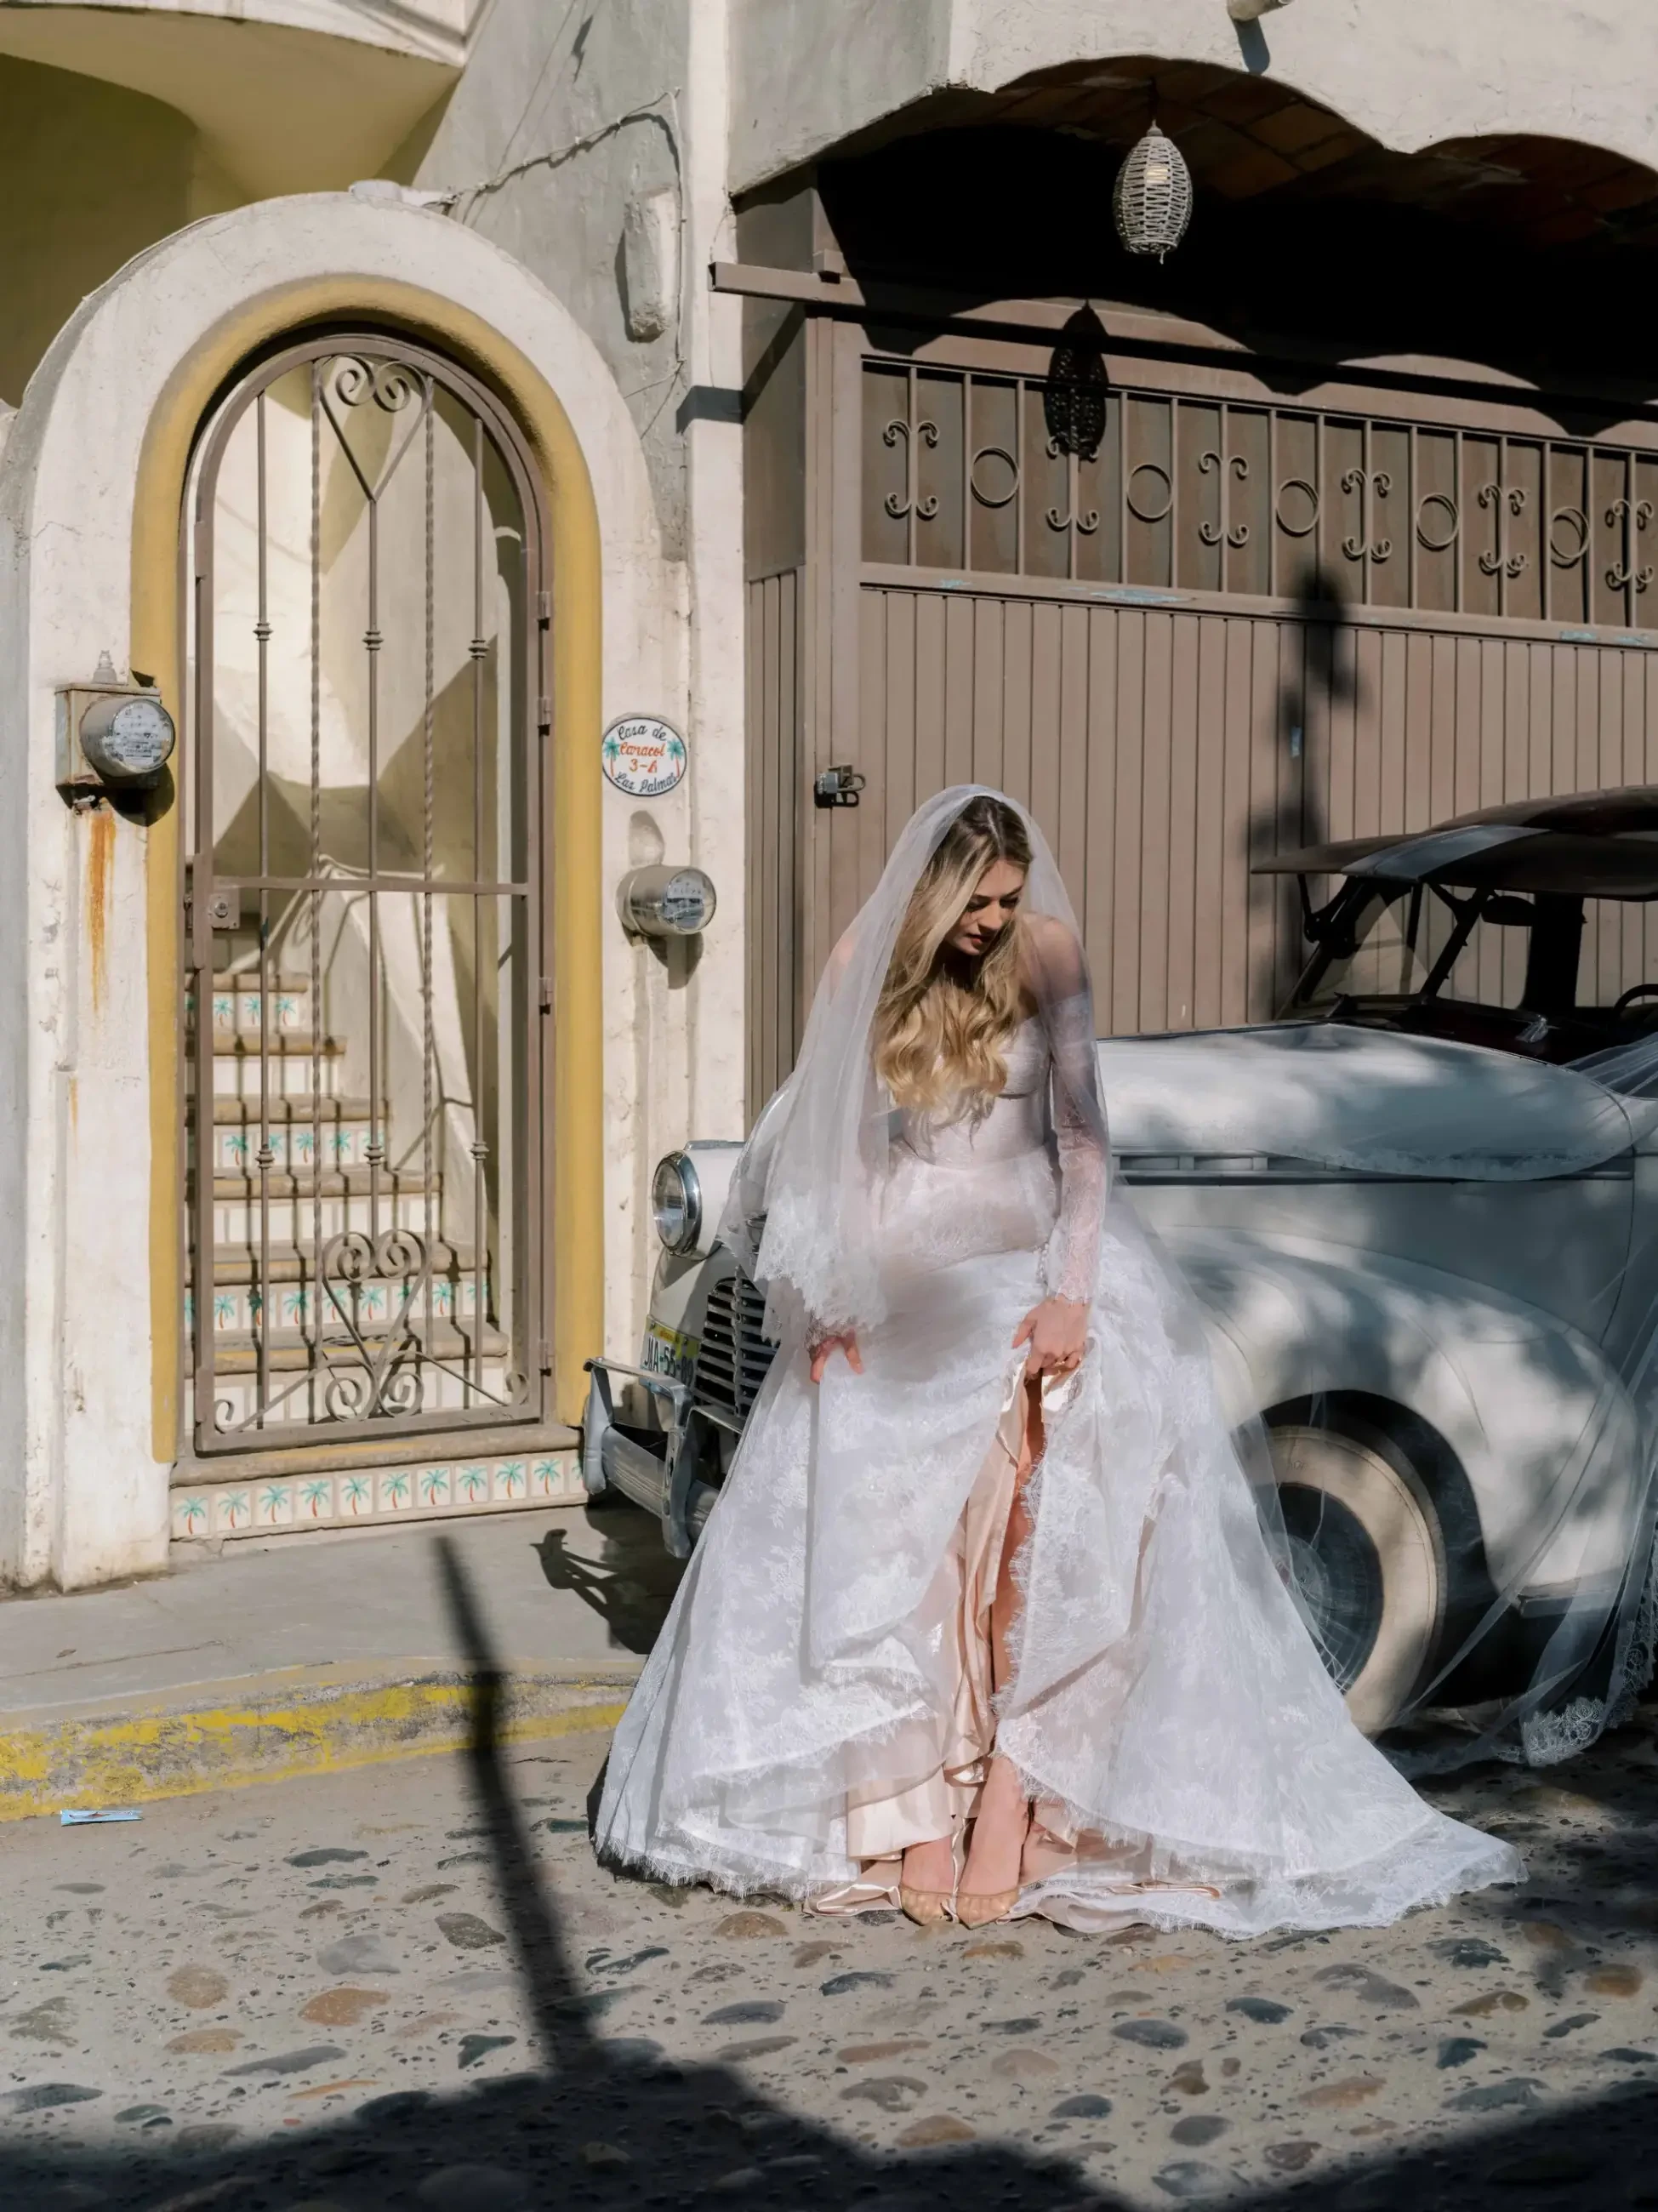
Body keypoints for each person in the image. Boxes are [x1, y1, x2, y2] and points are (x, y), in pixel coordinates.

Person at [595, 788, 1521, 1932]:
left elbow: (1084, 1146)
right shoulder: (863, 963)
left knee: (1048, 1518)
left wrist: (1072, 1296)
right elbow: (831, 1150)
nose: (991, 920)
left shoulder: (1046, 957)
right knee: (894, 1532)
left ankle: (1020, 1803)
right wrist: (830, 1300)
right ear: (930, 891)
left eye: (1006, 897)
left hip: (1032, 1259)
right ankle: (910, 1810)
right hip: (908, 1272)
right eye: (974, 900)